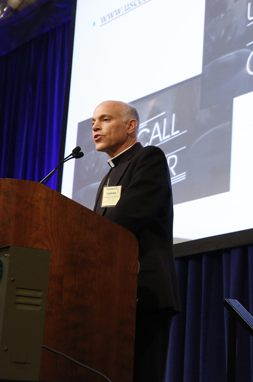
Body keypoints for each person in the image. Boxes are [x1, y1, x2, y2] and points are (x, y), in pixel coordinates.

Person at [91, 100, 180, 382]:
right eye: (94, 121)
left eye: (104, 119)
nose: (95, 126)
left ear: (131, 126)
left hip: (145, 292)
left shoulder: (149, 158)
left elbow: (129, 217)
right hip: (114, 293)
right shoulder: (108, 175)